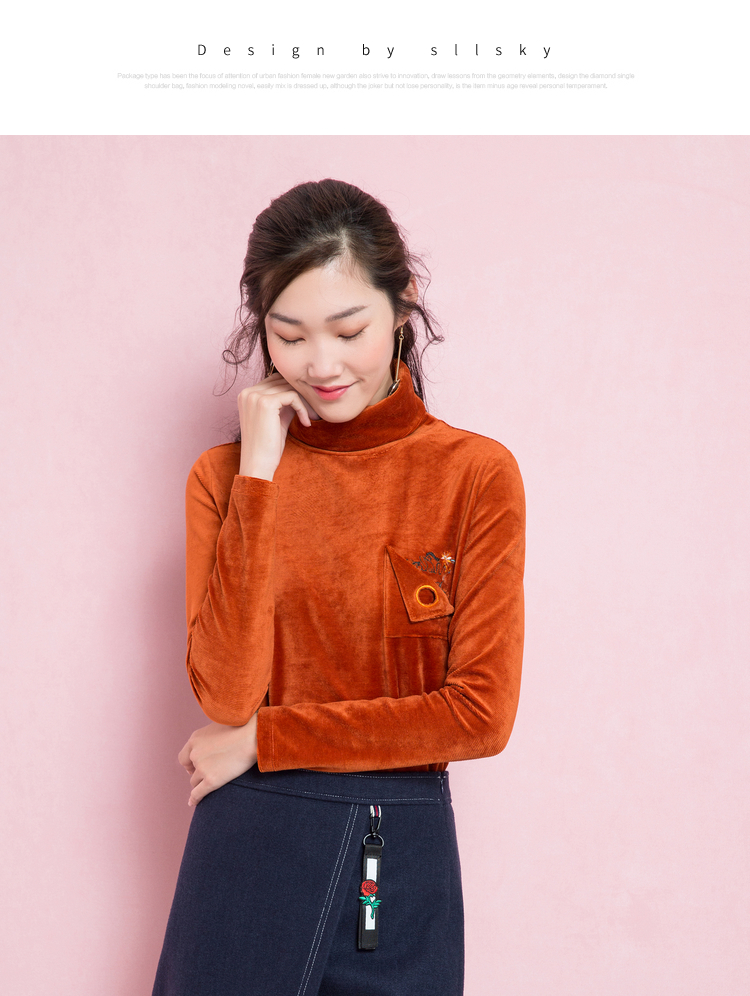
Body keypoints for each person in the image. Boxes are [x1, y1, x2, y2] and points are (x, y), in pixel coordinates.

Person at [152, 179, 525, 996]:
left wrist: (266, 740)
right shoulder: (222, 478)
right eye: (287, 336)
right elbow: (227, 693)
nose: (320, 365)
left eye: (348, 330)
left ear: (403, 304)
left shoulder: (472, 475)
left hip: (398, 851)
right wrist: (258, 474)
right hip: (245, 846)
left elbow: (479, 714)